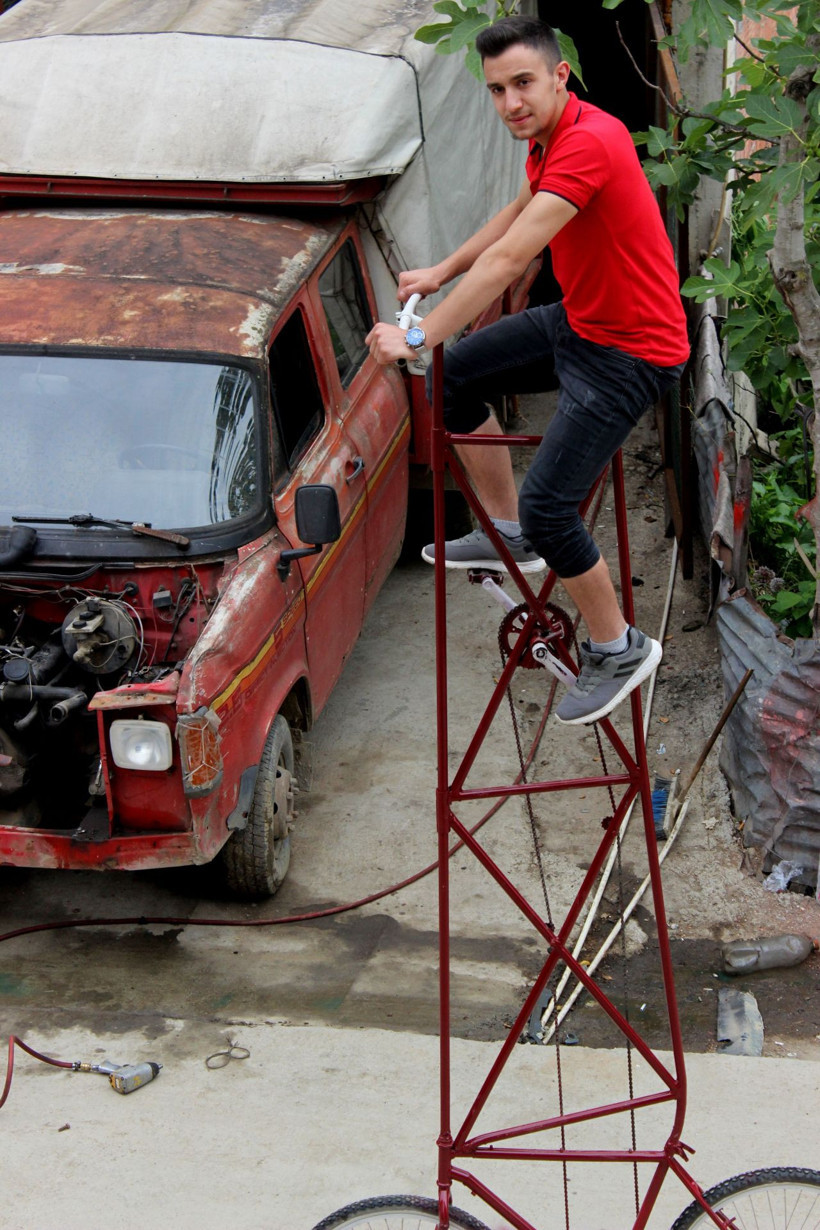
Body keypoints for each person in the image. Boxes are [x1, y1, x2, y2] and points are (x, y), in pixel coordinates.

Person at [365, 15, 689, 726]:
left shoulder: (591, 142)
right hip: (582, 322)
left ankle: (619, 645)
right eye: (497, 91)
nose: (511, 102)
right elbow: (515, 216)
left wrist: (417, 335)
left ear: (558, 77)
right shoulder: (549, 140)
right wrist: (443, 268)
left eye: (523, 84)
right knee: (451, 382)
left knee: (553, 508)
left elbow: (515, 261)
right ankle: (508, 530)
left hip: (633, 351)